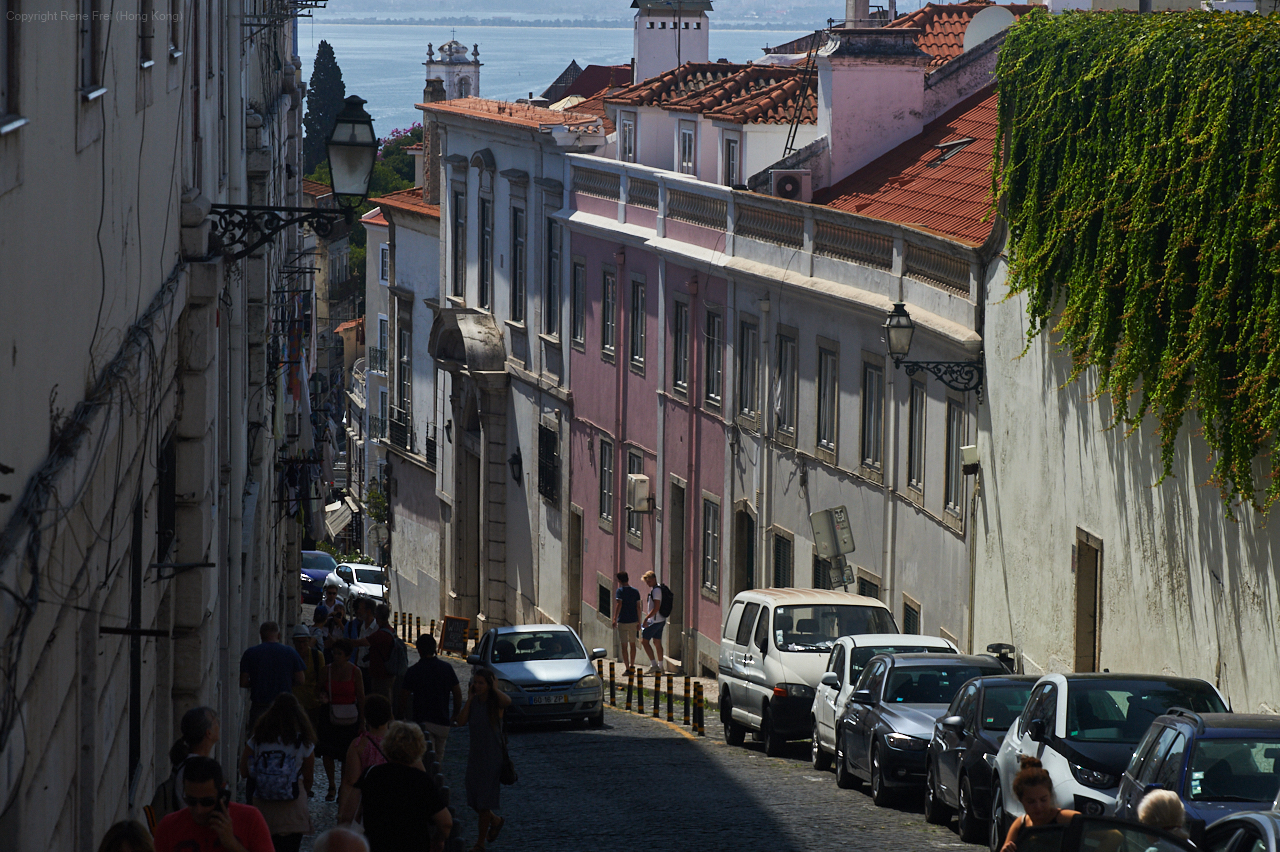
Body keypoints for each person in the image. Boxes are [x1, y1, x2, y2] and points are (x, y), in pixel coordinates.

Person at [356, 721, 452, 852]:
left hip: (376, 846)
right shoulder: (422, 781)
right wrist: (438, 840)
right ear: (418, 748)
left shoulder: (371, 774)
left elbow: (352, 813)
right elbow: (446, 823)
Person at [238, 692, 315, 852]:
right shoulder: (303, 743)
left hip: (263, 807)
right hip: (293, 809)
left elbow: (244, 771)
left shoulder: (258, 739)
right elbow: (308, 778)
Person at [153, 756, 274, 852]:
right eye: (191, 801)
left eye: (207, 802)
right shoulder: (169, 826)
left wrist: (233, 844)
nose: (198, 810)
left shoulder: (250, 819)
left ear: (221, 792)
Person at [457, 669, 511, 852]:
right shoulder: (474, 703)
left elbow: (507, 701)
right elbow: (461, 721)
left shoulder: (495, 702)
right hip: (475, 757)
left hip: (492, 757)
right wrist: (470, 698)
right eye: (476, 682)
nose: (478, 686)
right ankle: (495, 820)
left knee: (484, 802)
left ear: (489, 684)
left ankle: (480, 844)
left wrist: (495, 689)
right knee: (473, 798)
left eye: (482, 683)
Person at [999, 756, 1080, 852]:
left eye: (1043, 800)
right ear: (1021, 800)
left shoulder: (1066, 819)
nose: (1038, 806)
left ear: (1050, 796)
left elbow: (1097, 834)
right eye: (1031, 802)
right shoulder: (1019, 825)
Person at [318, 638, 365, 801]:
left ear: (348, 656)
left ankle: (343, 785)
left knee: (347, 754)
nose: (336, 656)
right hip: (329, 715)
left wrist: (363, 721)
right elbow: (318, 691)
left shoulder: (355, 672)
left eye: (339, 654)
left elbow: (361, 696)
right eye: (334, 653)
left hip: (350, 718)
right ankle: (331, 785)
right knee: (328, 752)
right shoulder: (326, 671)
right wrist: (322, 697)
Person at [154, 706, 220, 820]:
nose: (219, 724)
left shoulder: (187, 764)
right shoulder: (196, 769)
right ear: (208, 733)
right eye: (215, 722)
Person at [337, 694, 394, 826]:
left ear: (366, 717)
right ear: (389, 716)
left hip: (368, 808)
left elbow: (351, 781)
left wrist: (342, 817)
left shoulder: (358, 745)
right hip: (395, 803)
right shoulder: (398, 743)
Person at [239, 621, 306, 734]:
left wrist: (258, 681)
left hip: (260, 707)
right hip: (284, 707)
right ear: (279, 635)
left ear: (261, 635)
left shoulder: (250, 653)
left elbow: (243, 682)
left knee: (257, 742)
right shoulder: (290, 652)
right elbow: (301, 680)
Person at [403, 634, 462, 760]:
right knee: (438, 759)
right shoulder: (447, 668)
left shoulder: (413, 671)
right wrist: (455, 714)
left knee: (426, 760)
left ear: (418, 650)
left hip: (423, 722)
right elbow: (457, 693)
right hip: (443, 722)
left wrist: (403, 718)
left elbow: (403, 697)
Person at [353, 603, 397, 705]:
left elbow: (361, 643)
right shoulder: (390, 630)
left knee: (380, 702)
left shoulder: (380, 634)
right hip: (385, 674)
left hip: (380, 675)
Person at [293, 623, 326, 736]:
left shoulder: (317, 656)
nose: (302, 645)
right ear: (294, 642)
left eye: (304, 641)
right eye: (298, 642)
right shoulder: (290, 656)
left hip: (313, 704)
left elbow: (322, 678)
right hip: (295, 704)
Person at [611, 571, 641, 674]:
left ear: (619, 580)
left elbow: (619, 604)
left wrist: (614, 618)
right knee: (633, 644)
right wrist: (639, 621)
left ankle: (627, 668)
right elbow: (638, 607)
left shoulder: (619, 591)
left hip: (623, 621)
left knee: (624, 646)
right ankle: (632, 666)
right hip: (633, 621)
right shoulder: (635, 591)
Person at [639, 570, 666, 674]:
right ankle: (660, 667)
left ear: (654, 579)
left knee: (644, 641)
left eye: (649, 581)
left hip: (654, 621)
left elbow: (656, 607)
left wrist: (646, 618)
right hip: (660, 620)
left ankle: (654, 665)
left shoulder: (656, 591)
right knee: (657, 642)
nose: (648, 584)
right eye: (647, 582)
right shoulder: (657, 589)